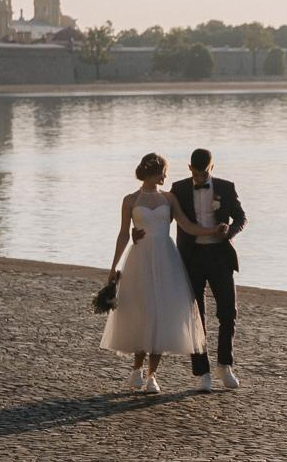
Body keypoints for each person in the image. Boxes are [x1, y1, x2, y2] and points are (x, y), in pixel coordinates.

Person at [99, 153, 207, 394]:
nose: (166, 176)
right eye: (163, 172)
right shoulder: (130, 199)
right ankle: (136, 370)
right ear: (152, 172)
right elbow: (123, 234)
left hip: (166, 259)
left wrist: (211, 232)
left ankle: (152, 376)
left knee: (162, 313)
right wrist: (114, 266)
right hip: (140, 260)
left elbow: (186, 225)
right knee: (141, 310)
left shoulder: (169, 198)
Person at [170, 147, 247, 392]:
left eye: (204, 173)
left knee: (228, 312)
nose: (200, 178)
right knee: (195, 316)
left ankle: (225, 365)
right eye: (196, 173)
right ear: (189, 168)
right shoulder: (179, 189)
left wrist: (229, 230)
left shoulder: (226, 187)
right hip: (191, 258)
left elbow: (241, 218)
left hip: (220, 256)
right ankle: (202, 372)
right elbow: (165, 217)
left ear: (211, 168)